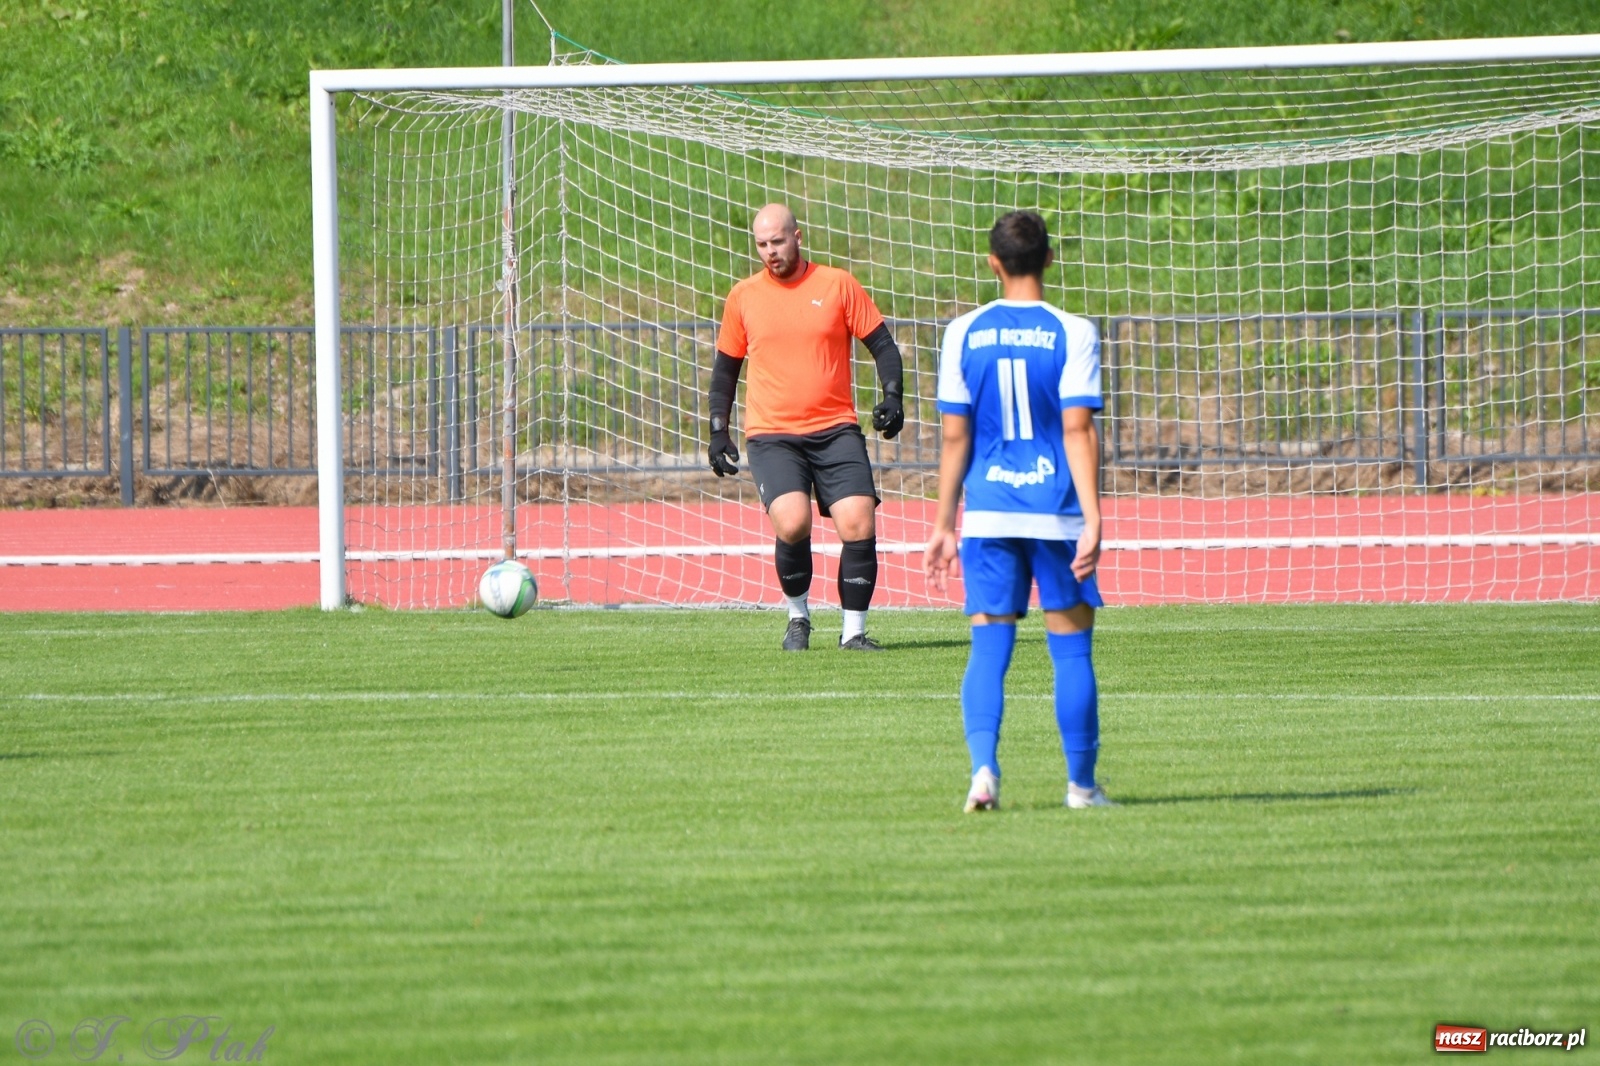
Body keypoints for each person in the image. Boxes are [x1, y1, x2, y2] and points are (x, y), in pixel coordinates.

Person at [923, 210, 1113, 812]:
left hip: (989, 516)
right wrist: (1093, 518)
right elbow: (1078, 430)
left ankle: (983, 772)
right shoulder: (1074, 331)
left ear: (993, 263)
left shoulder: (963, 333)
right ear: (1050, 260)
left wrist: (943, 523)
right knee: (1073, 652)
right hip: (1055, 514)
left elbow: (955, 438)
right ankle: (1081, 788)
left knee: (988, 651)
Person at [707, 203, 906, 651]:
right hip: (773, 434)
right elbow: (725, 371)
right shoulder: (744, 295)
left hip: (835, 429)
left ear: (798, 236)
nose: (770, 251)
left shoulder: (837, 284)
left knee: (858, 521)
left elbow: (883, 346)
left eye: (777, 241)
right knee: (793, 523)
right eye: (761, 244)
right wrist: (718, 429)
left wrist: (892, 395)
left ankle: (853, 632)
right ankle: (798, 618)